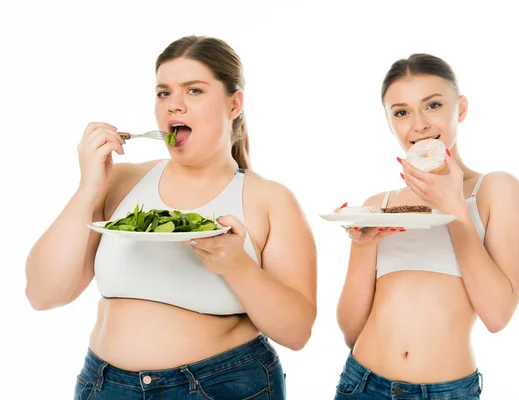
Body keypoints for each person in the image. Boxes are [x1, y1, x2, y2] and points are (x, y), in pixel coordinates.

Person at [25, 35, 317, 400]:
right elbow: (42, 294)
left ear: (234, 104)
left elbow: (297, 332)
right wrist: (88, 189)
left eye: (193, 91)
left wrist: (237, 264)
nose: (173, 106)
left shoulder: (270, 200)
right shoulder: (118, 182)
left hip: (222, 386)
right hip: (105, 386)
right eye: (163, 93)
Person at [333, 54, 519, 399]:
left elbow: (497, 316)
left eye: (433, 105)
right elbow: (351, 332)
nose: (419, 124)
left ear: (461, 108)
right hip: (361, 384)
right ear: (390, 122)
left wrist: (454, 207)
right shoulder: (380, 204)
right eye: (401, 112)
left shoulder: (496, 190)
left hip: (446, 392)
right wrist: (362, 246)